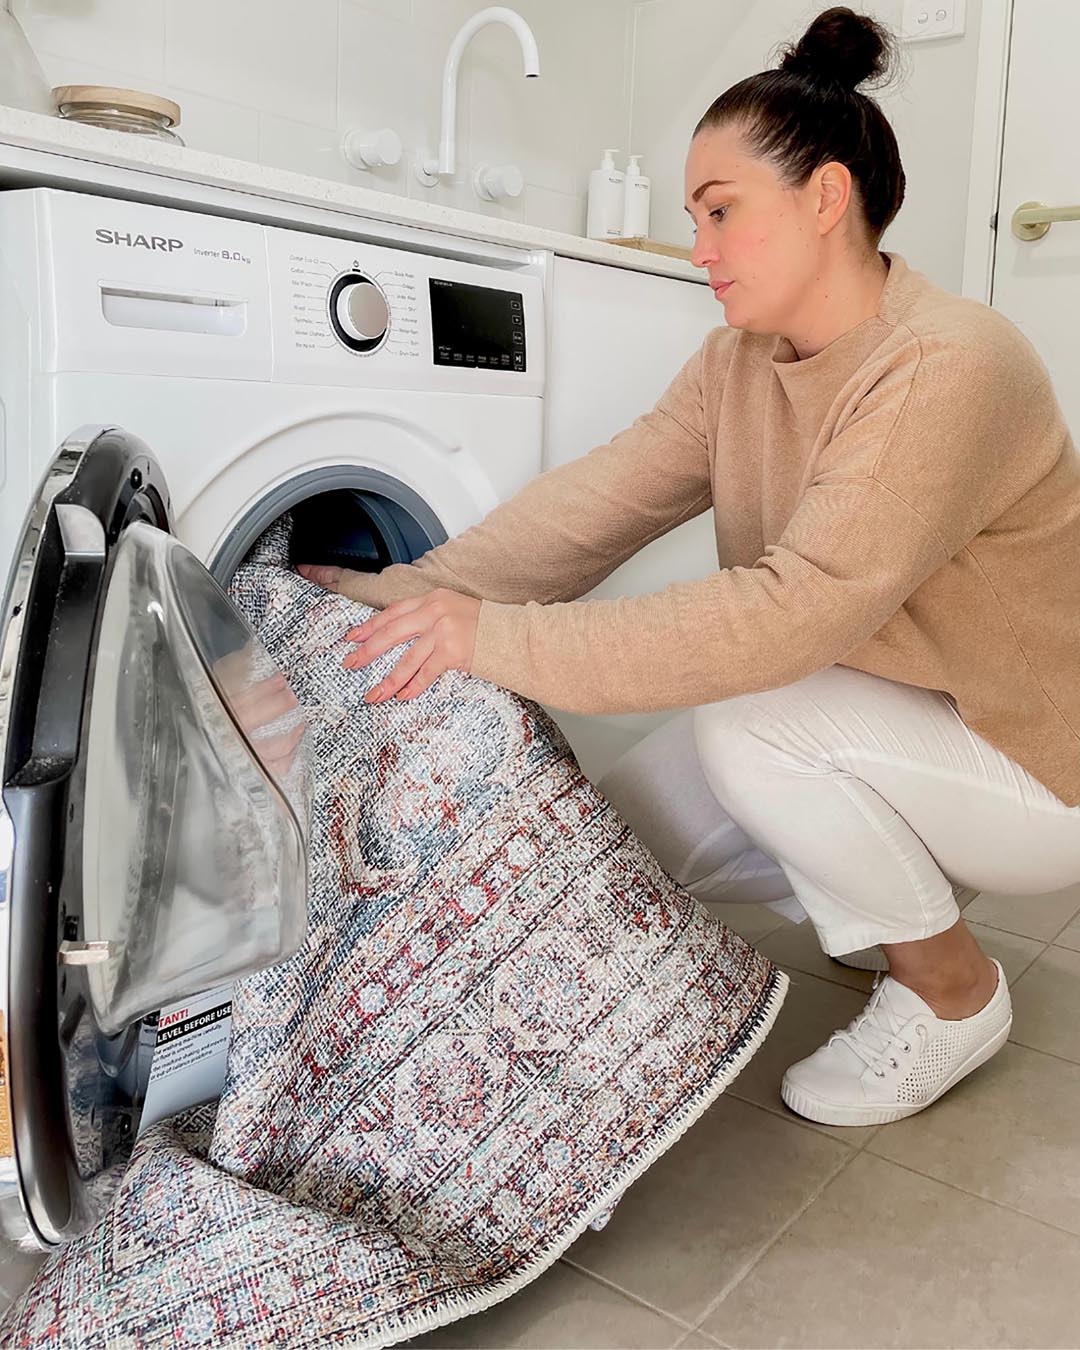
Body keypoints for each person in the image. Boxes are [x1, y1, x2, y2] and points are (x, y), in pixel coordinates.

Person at [299, 6, 1080, 1128]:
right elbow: (593, 509)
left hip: (1035, 757)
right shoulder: (738, 363)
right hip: (896, 706)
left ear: (825, 198)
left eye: (721, 211)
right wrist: (402, 594)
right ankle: (894, 890)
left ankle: (954, 991)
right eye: (694, 219)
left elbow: (783, 620)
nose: (700, 249)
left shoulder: (950, 364)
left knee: (750, 722)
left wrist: (495, 640)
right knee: (615, 844)